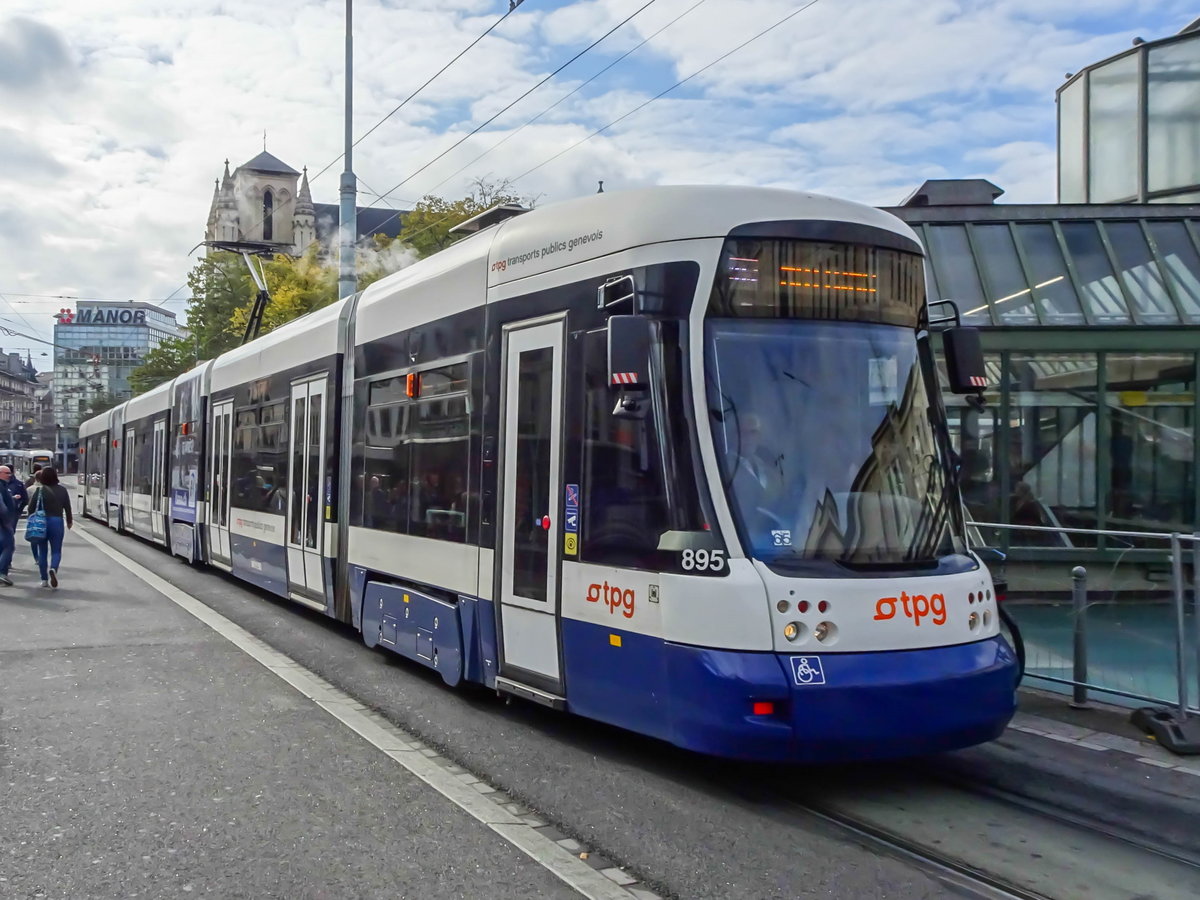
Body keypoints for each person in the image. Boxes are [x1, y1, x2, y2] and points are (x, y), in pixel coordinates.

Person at [26, 466, 72, 589]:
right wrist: (69, 521)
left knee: (43, 551)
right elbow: (67, 507)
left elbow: (31, 509)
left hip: (41, 522)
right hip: (57, 521)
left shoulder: (40, 490)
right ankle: (53, 569)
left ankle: (44, 579)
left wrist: (32, 519)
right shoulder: (62, 490)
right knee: (56, 550)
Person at [0, 467, 17, 586]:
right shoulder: (1, 487)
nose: (9, 475)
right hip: (3, 522)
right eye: (7, 473)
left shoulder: (3, 486)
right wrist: (7, 523)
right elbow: (2, 507)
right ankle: (2, 573)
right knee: (8, 545)